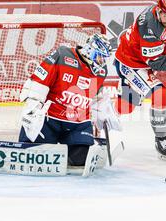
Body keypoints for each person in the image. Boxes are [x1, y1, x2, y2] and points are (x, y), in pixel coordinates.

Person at [18, 33, 119, 168]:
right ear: (90, 49)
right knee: (35, 156)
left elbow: (94, 95)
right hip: (49, 119)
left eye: (104, 58)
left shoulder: (101, 71)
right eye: (100, 56)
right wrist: (32, 107)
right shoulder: (63, 55)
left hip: (77, 123)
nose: (102, 61)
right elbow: (39, 81)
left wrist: (101, 107)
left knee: (82, 159)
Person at [114, 0, 166, 162]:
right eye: (165, 15)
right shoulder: (150, 24)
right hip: (130, 63)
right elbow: (156, 63)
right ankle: (100, 115)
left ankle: (161, 139)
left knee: (131, 104)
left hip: (144, 62)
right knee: (134, 104)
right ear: (159, 10)